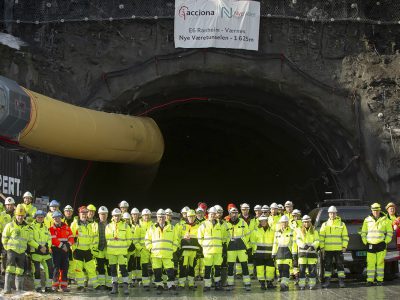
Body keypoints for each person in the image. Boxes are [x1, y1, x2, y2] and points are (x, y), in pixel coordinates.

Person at [2, 204, 37, 294]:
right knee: (10, 269)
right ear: (15, 215)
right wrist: (7, 248)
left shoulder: (27, 228)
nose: (20, 217)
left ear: (24, 215)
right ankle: (7, 289)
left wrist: (39, 247)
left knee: (20, 271)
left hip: (22, 252)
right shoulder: (10, 225)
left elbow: (30, 240)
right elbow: (4, 238)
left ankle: (19, 290)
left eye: (22, 215)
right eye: (18, 215)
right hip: (11, 251)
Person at [145, 209, 178, 294]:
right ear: (157, 217)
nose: (161, 218)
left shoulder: (172, 227)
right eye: (159, 217)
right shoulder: (152, 228)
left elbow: (176, 240)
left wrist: (173, 249)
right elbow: (147, 240)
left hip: (168, 254)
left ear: (165, 217)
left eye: (163, 217)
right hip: (156, 254)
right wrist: (150, 248)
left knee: (170, 271)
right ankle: (159, 286)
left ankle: (171, 286)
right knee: (157, 271)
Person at [361, 203, 393, 286]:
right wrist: (365, 242)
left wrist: (386, 241)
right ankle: (370, 280)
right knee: (370, 264)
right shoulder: (367, 220)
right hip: (370, 244)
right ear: (371, 210)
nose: (375, 212)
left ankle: (379, 280)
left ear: (380, 210)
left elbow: (390, 232)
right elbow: (363, 232)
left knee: (380, 264)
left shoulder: (386, 220)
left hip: (381, 245)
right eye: (374, 210)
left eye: (377, 210)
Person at [198, 206, 228, 291]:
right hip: (208, 251)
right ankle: (207, 285)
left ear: (216, 215)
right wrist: (204, 245)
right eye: (211, 214)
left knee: (217, 268)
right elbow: (200, 238)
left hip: (218, 251)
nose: (213, 215)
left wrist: (222, 245)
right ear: (208, 214)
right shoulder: (203, 224)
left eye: (214, 214)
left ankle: (217, 284)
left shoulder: (221, 225)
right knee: (207, 269)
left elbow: (225, 236)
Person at [70, 206, 99, 291]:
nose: (84, 215)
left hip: (88, 250)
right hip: (78, 250)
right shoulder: (75, 224)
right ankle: (80, 285)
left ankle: (96, 285)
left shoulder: (89, 225)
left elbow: (92, 238)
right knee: (78, 269)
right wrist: (73, 247)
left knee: (91, 268)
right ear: (79, 214)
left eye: (86, 213)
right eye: (82, 213)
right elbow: (71, 236)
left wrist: (92, 248)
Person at [319, 206, 348, 288]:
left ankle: (341, 281)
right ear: (328, 214)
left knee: (340, 265)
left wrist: (344, 246)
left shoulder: (342, 224)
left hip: (338, 249)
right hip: (328, 249)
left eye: (333, 213)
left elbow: (345, 236)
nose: (332, 214)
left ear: (336, 213)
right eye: (330, 213)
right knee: (327, 265)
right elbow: (321, 237)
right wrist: (322, 248)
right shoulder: (324, 224)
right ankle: (327, 281)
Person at [105, 208, 132, 295]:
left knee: (123, 270)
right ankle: (114, 287)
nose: (117, 217)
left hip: (122, 252)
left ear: (121, 216)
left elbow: (129, 239)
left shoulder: (126, 226)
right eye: (115, 216)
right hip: (112, 252)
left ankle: (125, 287)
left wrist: (124, 247)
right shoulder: (108, 226)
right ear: (112, 216)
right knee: (113, 270)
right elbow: (107, 238)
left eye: (118, 216)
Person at [225, 207, 251, 291]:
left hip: (241, 248)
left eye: (236, 213)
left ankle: (247, 283)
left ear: (238, 214)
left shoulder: (243, 222)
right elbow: (224, 236)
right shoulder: (226, 224)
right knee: (230, 267)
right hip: (230, 248)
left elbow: (248, 234)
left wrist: (244, 243)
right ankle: (230, 283)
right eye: (232, 213)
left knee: (244, 265)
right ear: (229, 214)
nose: (234, 214)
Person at [49, 210, 74, 292]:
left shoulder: (66, 227)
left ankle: (64, 286)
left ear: (61, 218)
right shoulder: (51, 229)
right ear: (53, 219)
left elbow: (71, 237)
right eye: (55, 218)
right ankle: (55, 286)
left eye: (58, 217)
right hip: (56, 250)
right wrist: (62, 246)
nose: (57, 219)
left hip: (65, 250)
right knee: (56, 268)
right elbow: (53, 239)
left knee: (65, 268)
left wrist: (67, 245)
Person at [176, 209, 201, 290]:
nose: (191, 218)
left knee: (192, 268)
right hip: (184, 251)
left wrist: (199, 251)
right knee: (182, 268)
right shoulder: (181, 226)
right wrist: (178, 249)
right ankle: (181, 284)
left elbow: (200, 238)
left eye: (193, 216)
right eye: (190, 216)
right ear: (187, 217)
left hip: (194, 251)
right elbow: (177, 237)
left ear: (195, 217)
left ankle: (191, 283)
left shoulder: (199, 226)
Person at [30, 210, 53, 292]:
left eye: (42, 217)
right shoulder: (31, 227)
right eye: (38, 217)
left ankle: (48, 287)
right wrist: (39, 247)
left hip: (46, 252)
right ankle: (38, 287)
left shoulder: (46, 228)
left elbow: (49, 239)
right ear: (35, 217)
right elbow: (30, 240)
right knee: (36, 270)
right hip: (35, 252)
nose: (40, 218)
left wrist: (47, 247)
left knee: (50, 268)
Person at [272, 215, 296, 291]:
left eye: (285, 222)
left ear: (287, 223)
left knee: (286, 269)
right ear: (280, 223)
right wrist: (273, 253)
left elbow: (293, 243)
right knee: (280, 269)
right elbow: (275, 244)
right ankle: (284, 283)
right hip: (279, 254)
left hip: (288, 253)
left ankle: (284, 283)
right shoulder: (277, 233)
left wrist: (294, 253)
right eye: (283, 222)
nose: (284, 224)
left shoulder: (291, 231)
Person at [250, 215, 275, 290]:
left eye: (265, 221)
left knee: (270, 269)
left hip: (269, 254)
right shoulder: (255, 231)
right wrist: (254, 252)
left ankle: (269, 283)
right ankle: (262, 283)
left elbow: (274, 242)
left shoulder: (272, 231)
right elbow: (252, 242)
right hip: (259, 254)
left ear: (267, 221)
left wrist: (274, 253)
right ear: (259, 222)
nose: (263, 222)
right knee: (260, 269)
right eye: (262, 221)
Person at [296, 215, 319, 290]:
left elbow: (317, 240)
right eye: (305, 222)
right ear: (303, 222)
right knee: (302, 270)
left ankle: (312, 284)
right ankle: (302, 284)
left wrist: (313, 246)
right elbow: (298, 240)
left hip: (312, 253)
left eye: (308, 222)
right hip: (302, 254)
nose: (306, 223)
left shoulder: (314, 231)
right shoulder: (300, 231)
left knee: (312, 270)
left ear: (310, 222)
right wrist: (303, 245)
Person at [92, 206, 110, 290]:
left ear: (107, 215)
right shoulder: (94, 225)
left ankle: (109, 285)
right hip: (99, 249)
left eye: (105, 214)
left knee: (110, 267)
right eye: (102, 214)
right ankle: (102, 284)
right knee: (100, 267)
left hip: (109, 249)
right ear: (99, 215)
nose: (103, 216)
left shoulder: (111, 224)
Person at [137, 208, 153, 290]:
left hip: (152, 249)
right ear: (142, 216)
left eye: (148, 215)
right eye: (145, 215)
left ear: (150, 216)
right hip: (143, 250)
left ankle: (155, 281)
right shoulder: (139, 226)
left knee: (156, 266)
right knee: (144, 267)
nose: (146, 217)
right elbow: (136, 240)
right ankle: (145, 283)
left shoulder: (153, 225)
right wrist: (140, 249)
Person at [0, 197, 15, 274]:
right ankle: (2, 268)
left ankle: (10, 268)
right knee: (3, 253)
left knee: (11, 253)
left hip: (14, 237)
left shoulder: (17, 214)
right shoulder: (2, 214)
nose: (9, 206)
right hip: (3, 236)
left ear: (13, 205)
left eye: (11, 205)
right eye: (8, 205)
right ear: (5, 206)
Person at [130, 207, 142, 286]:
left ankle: (139, 278)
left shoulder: (141, 224)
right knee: (132, 263)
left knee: (139, 263)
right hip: (131, 246)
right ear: (131, 215)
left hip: (139, 246)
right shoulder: (129, 224)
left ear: (138, 215)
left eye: (136, 214)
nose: (135, 216)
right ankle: (134, 278)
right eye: (134, 214)